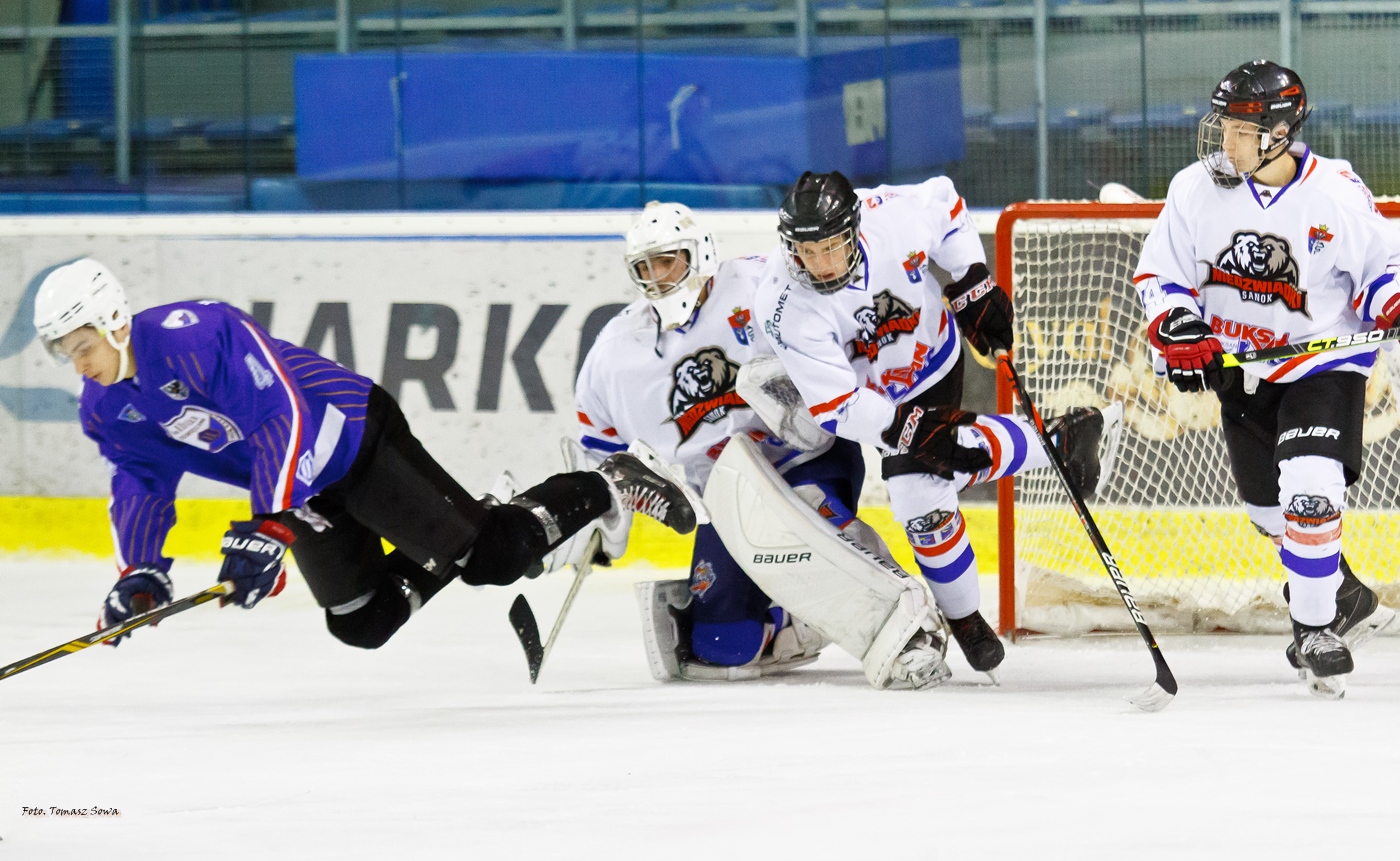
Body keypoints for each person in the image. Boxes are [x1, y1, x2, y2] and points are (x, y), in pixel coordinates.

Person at [33, 258, 702, 653]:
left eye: (83, 344)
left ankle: (609, 479)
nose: (79, 363)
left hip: (350, 438)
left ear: (116, 319)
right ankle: (472, 518)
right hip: (298, 491)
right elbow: (140, 481)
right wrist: (140, 571)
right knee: (363, 621)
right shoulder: (104, 408)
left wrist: (269, 520)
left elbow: (280, 413)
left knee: (493, 559)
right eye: (67, 353)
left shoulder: (196, 334)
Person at [565, 201, 947, 684]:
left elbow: (848, 322)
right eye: (646, 266)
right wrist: (598, 509)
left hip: (807, 462)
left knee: (821, 529)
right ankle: (801, 618)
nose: (658, 276)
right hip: (727, 502)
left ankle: (912, 624)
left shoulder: (766, 284)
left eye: (668, 260)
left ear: (699, 253)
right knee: (722, 648)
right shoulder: (615, 352)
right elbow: (601, 448)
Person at [752, 171, 1109, 677]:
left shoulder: (891, 217)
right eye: (808, 251)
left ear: (854, 229)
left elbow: (945, 200)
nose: (821, 263)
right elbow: (840, 407)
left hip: (930, 362)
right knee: (927, 478)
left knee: (918, 492)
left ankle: (962, 618)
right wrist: (917, 431)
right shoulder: (784, 304)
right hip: (869, 400)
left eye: (832, 246)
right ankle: (1058, 440)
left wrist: (971, 282)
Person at [1134, 59, 1400, 697]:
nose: (1225, 142)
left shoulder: (1334, 191)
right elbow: (1162, 276)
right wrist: (1179, 327)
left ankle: (1316, 626)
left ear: (1280, 131)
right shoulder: (1194, 189)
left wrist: (1393, 296)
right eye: (1223, 126)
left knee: (1311, 485)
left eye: (1240, 130)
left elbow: (1382, 267)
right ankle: (1339, 589)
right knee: (1269, 512)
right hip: (1241, 374)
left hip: (1320, 364)